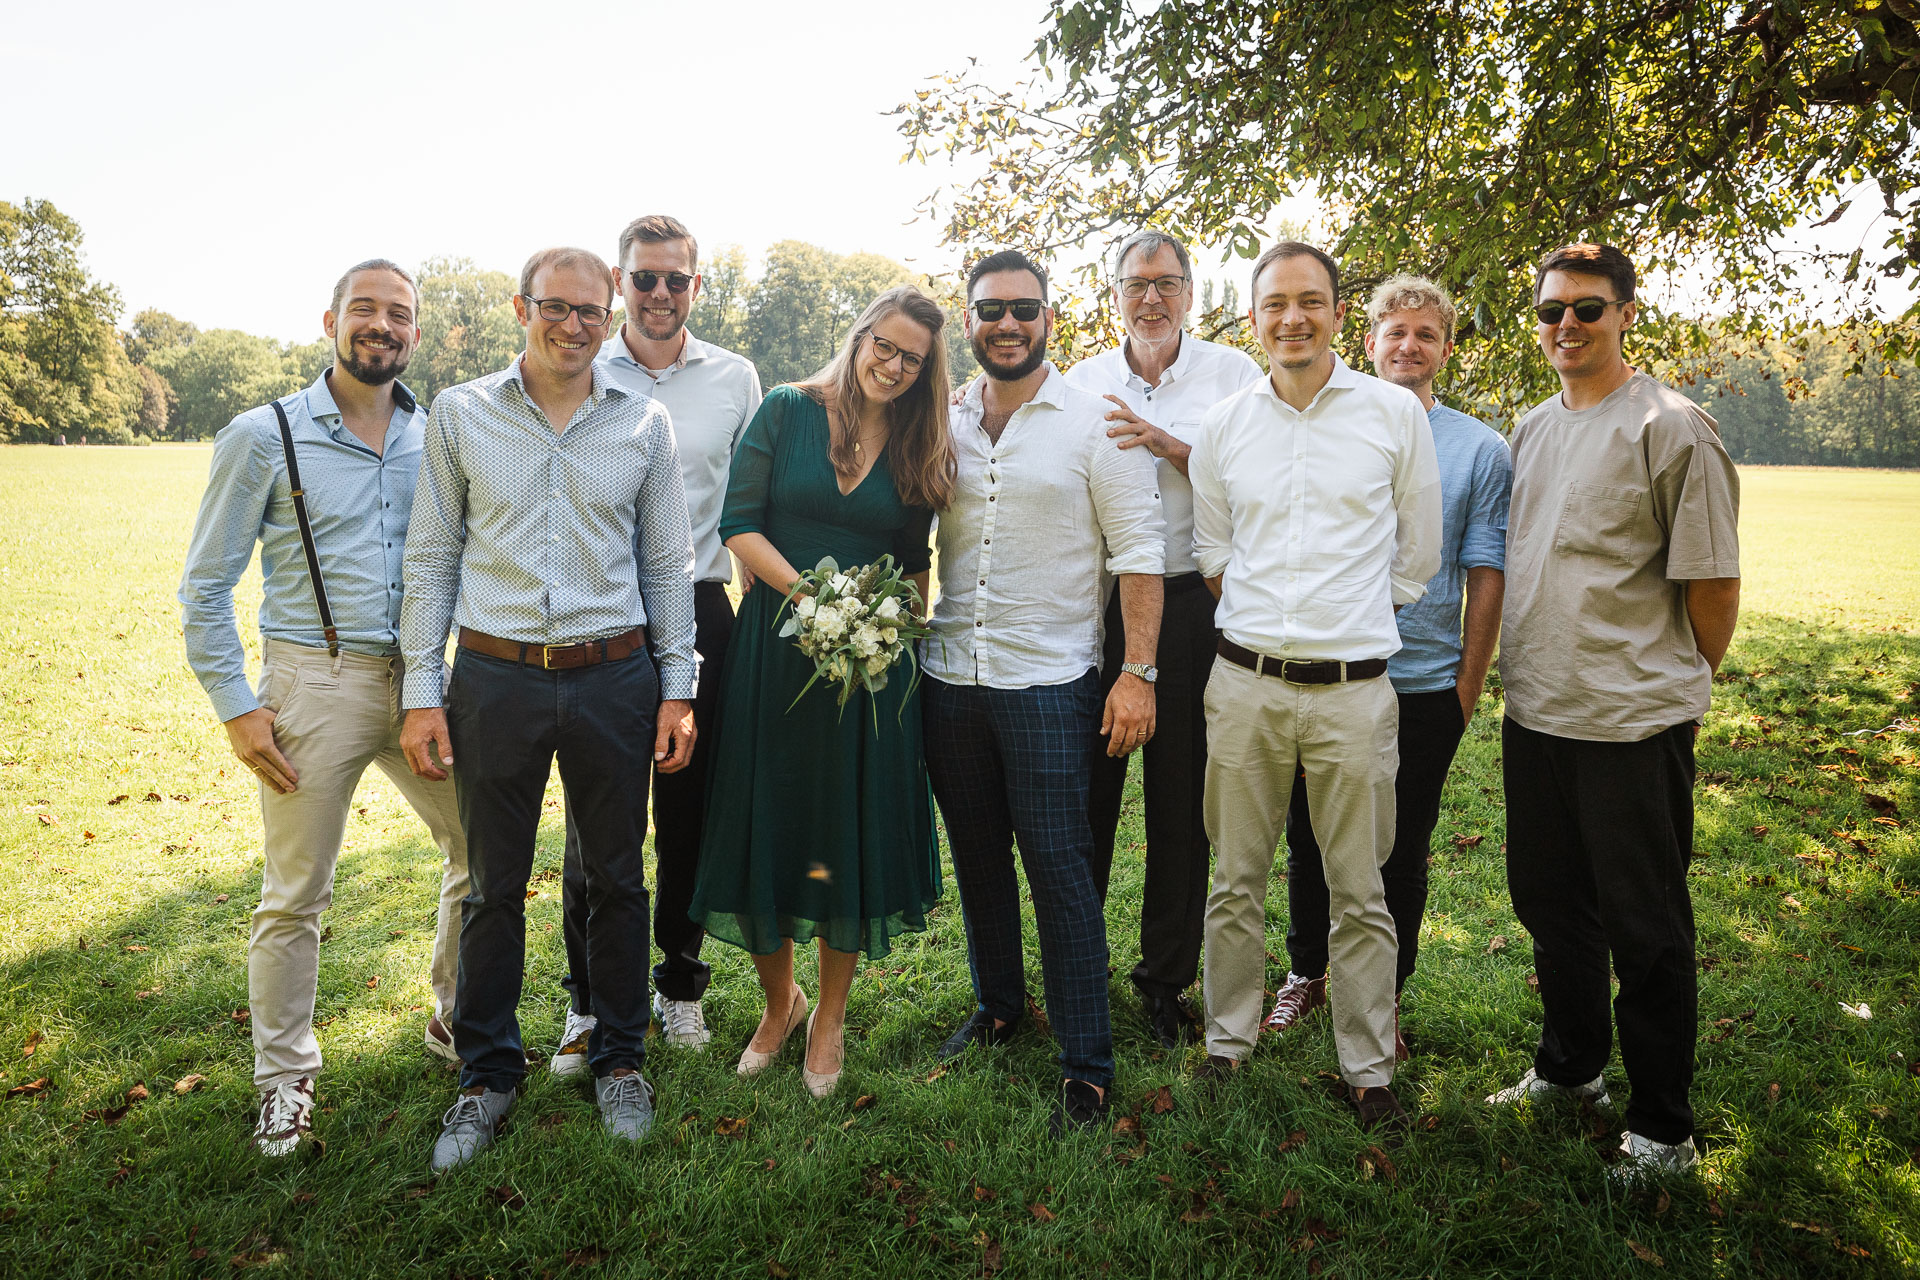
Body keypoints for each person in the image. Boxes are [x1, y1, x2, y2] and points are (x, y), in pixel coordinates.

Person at [399, 246, 699, 1171]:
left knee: (616, 878)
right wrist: (422, 693)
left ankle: (620, 1059)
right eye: (555, 307)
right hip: (496, 678)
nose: (573, 326)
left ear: (611, 317)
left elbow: (667, 564)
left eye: (590, 311)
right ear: (521, 308)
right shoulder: (461, 414)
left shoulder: (643, 422)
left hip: (615, 676)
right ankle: (486, 1075)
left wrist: (677, 688)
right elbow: (431, 559)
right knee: (494, 884)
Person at [179, 259, 469, 1157]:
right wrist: (237, 707)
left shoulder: (441, 431)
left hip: (424, 683)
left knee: (483, 852)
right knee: (295, 893)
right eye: (364, 309)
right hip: (315, 681)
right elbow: (205, 587)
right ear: (331, 320)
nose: (382, 325)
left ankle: (456, 1019)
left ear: (416, 331)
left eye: (400, 314)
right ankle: (284, 1081)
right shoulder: (262, 435)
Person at [1487, 243, 1740, 1180]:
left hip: (1631, 725)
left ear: (1626, 314)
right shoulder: (1532, 427)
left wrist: (1673, 687)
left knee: (1646, 927)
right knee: (1551, 905)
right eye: (1551, 310)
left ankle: (1663, 1129)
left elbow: (1714, 585)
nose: (1567, 325)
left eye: (1587, 308)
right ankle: (1571, 1070)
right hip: (1538, 712)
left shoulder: (1672, 428)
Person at [1189, 241, 1440, 1129]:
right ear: (1253, 317)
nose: (1292, 318)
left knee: (1360, 890)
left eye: (1310, 301)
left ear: (1338, 312)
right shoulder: (1224, 424)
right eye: (1274, 304)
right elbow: (1214, 552)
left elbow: (1416, 557)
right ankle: (1227, 1044)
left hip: (1355, 693)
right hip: (1245, 685)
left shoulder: (1392, 415)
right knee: (1235, 879)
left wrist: (1347, 622)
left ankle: (1368, 1069)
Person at [689, 286, 955, 1098]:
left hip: (869, 667)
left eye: (912, 359)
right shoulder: (786, 409)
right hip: (775, 650)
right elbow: (739, 523)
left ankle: (831, 1014)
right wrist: (811, 598)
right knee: (766, 819)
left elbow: (914, 562)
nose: (894, 366)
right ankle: (781, 1003)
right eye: (886, 346)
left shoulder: (917, 440)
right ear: (861, 335)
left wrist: (891, 635)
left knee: (846, 829)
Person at [923, 249, 1165, 1136]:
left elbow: (1140, 554)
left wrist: (1137, 673)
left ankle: (1086, 1064)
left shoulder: (1098, 423)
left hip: (1051, 683)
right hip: (951, 679)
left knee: (1060, 870)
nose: (1008, 324)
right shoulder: (944, 420)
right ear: (970, 321)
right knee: (979, 857)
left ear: (1050, 320)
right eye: (991, 310)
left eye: (1024, 309)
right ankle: (998, 1007)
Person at [1270, 275, 1511, 1055]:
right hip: (1322, 675)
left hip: (1422, 684)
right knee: (1310, 837)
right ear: (1367, 339)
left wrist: (1467, 686)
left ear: (1447, 348)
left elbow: (1486, 571)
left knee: (1400, 851)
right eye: (1395, 332)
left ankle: (1384, 997)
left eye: (1426, 334)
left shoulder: (1480, 449)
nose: (1409, 346)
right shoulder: (1320, 427)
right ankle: (1307, 972)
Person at [548, 215, 764, 1074]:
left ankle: (680, 985)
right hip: (601, 614)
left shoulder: (735, 378)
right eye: (644, 278)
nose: (660, 294)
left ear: (696, 286)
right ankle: (587, 1002)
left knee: (689, 817)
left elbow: (751, 510)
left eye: (676, 279)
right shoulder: (581, 366)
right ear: (619, 281)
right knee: (594, 826)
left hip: (703, 610)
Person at [1064, 229, 1263, 1048]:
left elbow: (1254, 487)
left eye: (1167, 283)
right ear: (1114, 293)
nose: (1151, 298)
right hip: (1097, 604)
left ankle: (1163, 981)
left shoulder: (1234, 378)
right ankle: (1080, 968)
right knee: (1088, 800)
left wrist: (1170, 445)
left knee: (1181, 804)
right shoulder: (1081, 382)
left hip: (1191, 604)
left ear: (1190, 292)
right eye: (1136, 284)